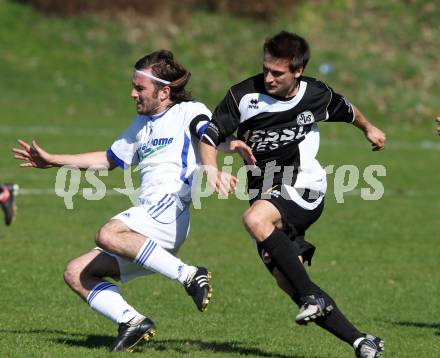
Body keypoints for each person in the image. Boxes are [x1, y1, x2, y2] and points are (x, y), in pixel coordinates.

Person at [13, 50, 222, 353]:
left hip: (169, 208)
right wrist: (53, 160)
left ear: (164, 91)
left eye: (140, 88)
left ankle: (189, 274)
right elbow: (109, 159)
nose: (132, 93)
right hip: (148, 226)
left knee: (108, 233)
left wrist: (221, 156)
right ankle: (133, 322)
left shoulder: (188, 111)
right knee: (77, 272)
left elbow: (209, 132)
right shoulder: (141, 123)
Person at [199, 31, 386, 358]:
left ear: (297, 71)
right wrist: (213, 166)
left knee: (254, 219)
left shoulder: (315, 94)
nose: (268, 77)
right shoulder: (243, 95)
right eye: (266, 69)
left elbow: (345, 109)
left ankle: (315, 300)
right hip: (264, 191)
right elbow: (209, 133)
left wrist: (369, 127)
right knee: (291, 282)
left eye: (277, 73)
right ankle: (361, 342)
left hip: (304, 185)